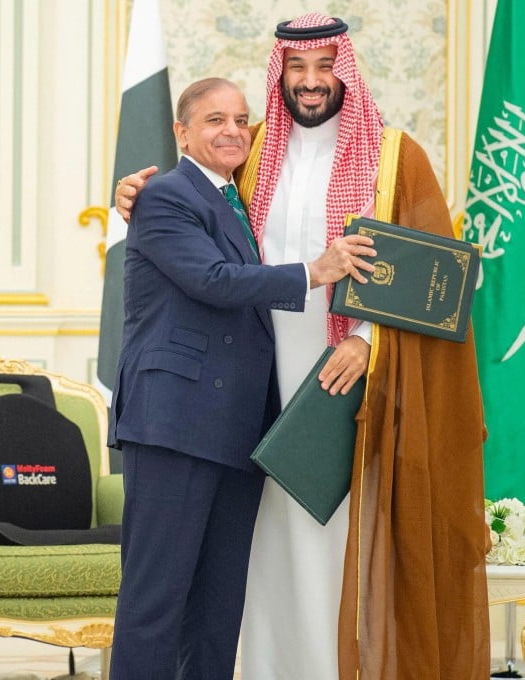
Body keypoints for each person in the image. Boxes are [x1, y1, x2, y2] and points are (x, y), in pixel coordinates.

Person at [116, 14, 490, 679]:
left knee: (336, 534)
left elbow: (446, 279)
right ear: (279, 74)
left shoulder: (394, 155)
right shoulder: (252, 147)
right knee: (250, 553)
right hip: (245, 387)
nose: (312, 83)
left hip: (345, 376)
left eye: (325, 67)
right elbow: (193, 212)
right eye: (298, 68)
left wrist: (370, 342)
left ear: (345, 70)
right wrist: (134, 195)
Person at [107, 76, 375, 680]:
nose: (231, 131)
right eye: (213, 120)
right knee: (156, 601)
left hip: (237, 431)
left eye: (240, 120)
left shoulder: (238, 198)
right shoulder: (163, 196)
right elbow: (216, 281)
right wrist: (318, 270)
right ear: (181, 132)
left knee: (218, 605)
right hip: (174, 425)